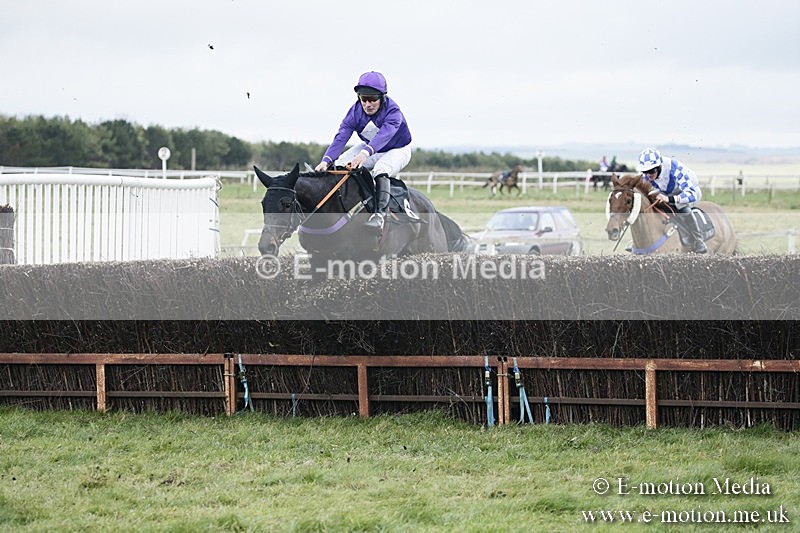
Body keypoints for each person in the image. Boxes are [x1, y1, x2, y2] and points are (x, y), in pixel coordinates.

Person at [314, 71, 412, 230]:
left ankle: (380, 216)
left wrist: (365, 153)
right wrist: (325, 161)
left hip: (397, 149)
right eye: (363, 99)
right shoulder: (354, 112)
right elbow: (341, 138)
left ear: (382, 97)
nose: (368, 104)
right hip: (370, 147)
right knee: (339, 165)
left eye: (372, 99)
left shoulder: (393, 112)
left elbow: (384, 136)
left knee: (380, 170)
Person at [638, 147, 707, 253]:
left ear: (659, 166)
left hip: (689, 191)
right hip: (668, 192)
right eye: (645, 171)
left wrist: (669, 198)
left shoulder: (675, 168)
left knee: (681, 206)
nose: (648, 175)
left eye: (651, 171)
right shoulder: (647, 175)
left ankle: (698, 240)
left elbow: (691, 194)